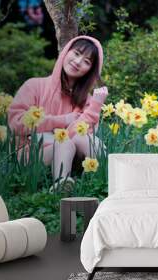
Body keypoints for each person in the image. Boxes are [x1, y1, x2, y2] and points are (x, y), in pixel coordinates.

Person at [8, 36, 108, 190]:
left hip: (71, 155)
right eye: (76, 53)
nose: (78, 61)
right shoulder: (34, 85)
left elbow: (84, 135)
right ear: (66, 52)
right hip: (32, 152)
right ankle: (61, 188)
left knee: (90, 141)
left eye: (87, 61)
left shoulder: (86, 101)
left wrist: (95, 106)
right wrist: (63, 120)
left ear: (90, 72)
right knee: (64, 143)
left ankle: (101, 185)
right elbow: (16, 123)